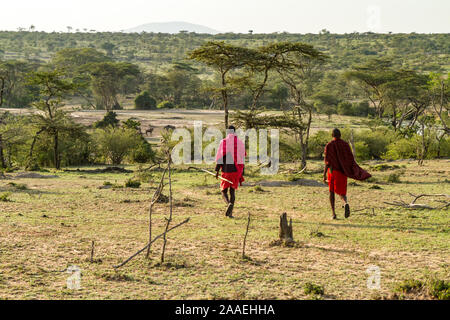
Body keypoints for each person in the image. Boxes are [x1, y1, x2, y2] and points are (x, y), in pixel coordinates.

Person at [323, 128, 371, 220]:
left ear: (332, 135)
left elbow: (327, 161)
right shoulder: (345, 145)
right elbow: (350, 159)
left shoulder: (329, 145)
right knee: (342, 192)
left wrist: (324, 174)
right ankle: (345, 203)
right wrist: (350, 170)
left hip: (333, 172)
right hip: (343, 172)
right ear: (340, 135)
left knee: (332, 192)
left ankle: (333, 214)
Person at [215, 126, 246, 218]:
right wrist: (241, 173)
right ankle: (230, 214)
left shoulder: (224, 142)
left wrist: (217, 171)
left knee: (223, 191)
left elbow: (220, 158)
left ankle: (228, 204)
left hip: (226, 171)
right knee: (232, 192)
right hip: (236, 171)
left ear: (227, 132)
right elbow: (242, 158)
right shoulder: (240, 143)